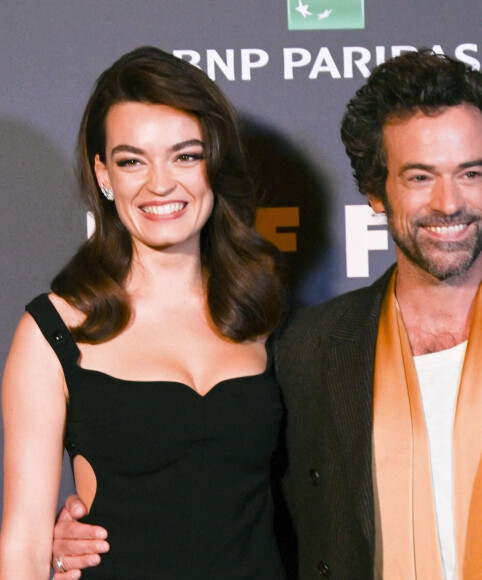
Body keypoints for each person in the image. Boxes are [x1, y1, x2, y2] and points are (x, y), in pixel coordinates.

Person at [52, 49, 482, 579]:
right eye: (420, 177)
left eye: (470, 172)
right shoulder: (304, 348)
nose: (449, 202)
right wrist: (90, 532)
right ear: (376, 192)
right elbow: (229, 495)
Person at [0, 46, 287, 579]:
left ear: (214, 163)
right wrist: (56, 552)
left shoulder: (266, 318)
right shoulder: (56, 331)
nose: (160, 184)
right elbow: (22, 548)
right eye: (133, 160)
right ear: (104, 175)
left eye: (185, 155)